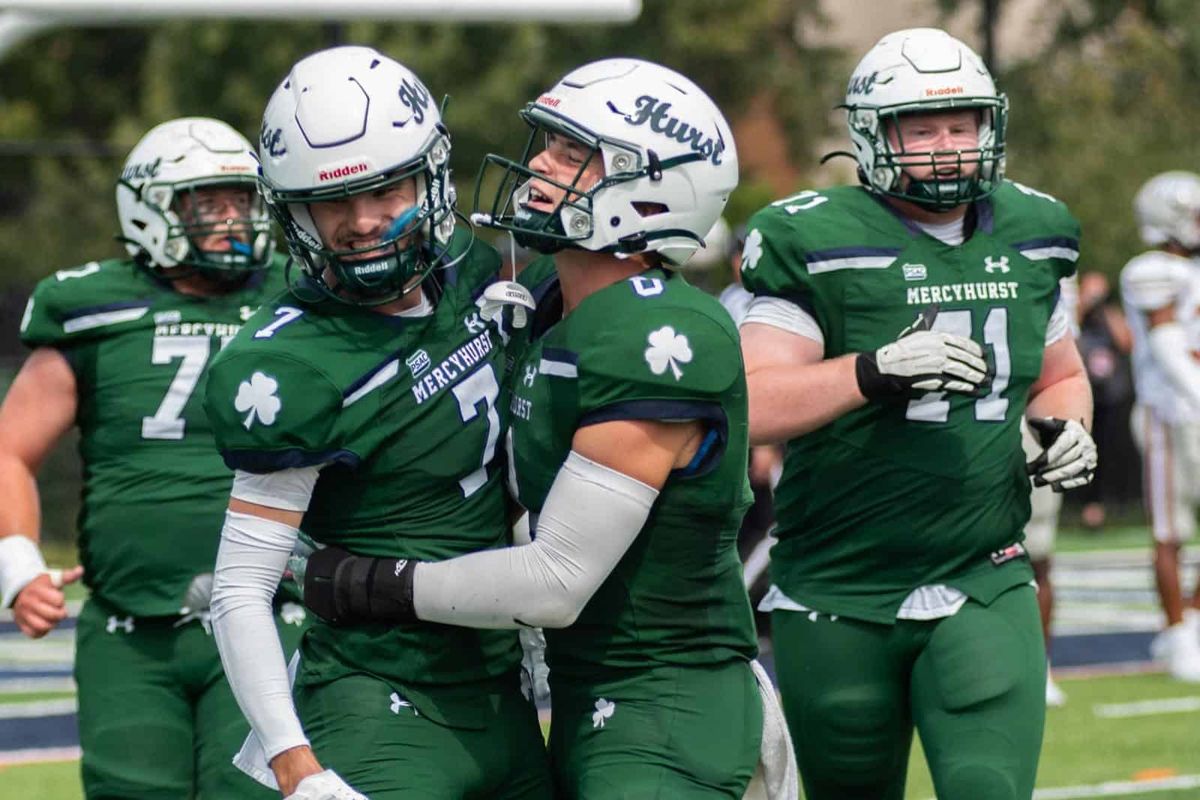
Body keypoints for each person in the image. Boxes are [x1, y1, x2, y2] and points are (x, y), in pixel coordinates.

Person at [301, 58, 796, 799]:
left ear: (650, 189)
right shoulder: (545, 296)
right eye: (547, 144)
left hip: (670, 704)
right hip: (590, 697)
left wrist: (369, 582)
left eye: (572, 154)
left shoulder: (656, 333)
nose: (537, 165)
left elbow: (557, 581)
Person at [738, 27, 1096, 799]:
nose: (946, 145)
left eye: (961, 125)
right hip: (836, 586)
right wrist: (872, 371)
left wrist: (1066, 428)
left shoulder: (1036, 231)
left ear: (989, 127)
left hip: (984, 573)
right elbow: (752, 401)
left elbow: (1059, 374)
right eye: (920, 127)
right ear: (872, 134)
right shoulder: (813, 237)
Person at [204, 46, 552, 800]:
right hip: (378, 691)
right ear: (292, 211)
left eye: (385, 189)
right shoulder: (294, 361)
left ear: (429, 175)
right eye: (331, 203)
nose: (361, 223)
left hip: (502, 688)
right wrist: (295, 768)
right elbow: (240, 589)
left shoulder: (477, 271)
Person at [0, 117, 299, 798]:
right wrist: (19, 568)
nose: (233, 218)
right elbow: (9, 449)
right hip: (130, 628)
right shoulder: (89, 305)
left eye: (241, 200)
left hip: (273, 610)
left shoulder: (297, 295)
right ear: (150, 209)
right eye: (208, 203)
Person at [1120, 170, 1200, 683]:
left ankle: (1191, 620)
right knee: (1170, 531)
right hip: (1168, 410)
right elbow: (1169, 344)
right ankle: (1175, 634)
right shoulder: (1150, 270)